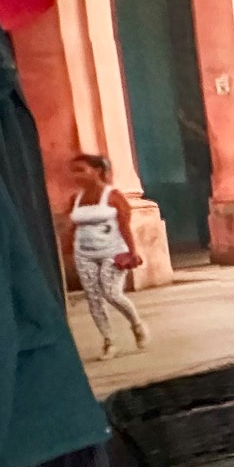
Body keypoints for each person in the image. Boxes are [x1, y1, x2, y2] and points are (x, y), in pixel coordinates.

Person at [67, 153, 147, 359]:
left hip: (113, 252)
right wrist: (68, 249)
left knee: (111, 293)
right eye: (73, 171)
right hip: (84, 254)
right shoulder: (75, 199)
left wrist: (132, 251)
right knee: (93, 298)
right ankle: (109, 341)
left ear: (97, 171)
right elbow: (72, 228)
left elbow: (124, 225)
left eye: (81, 170)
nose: (76, 175)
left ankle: (136, 324)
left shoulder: (113, 196)